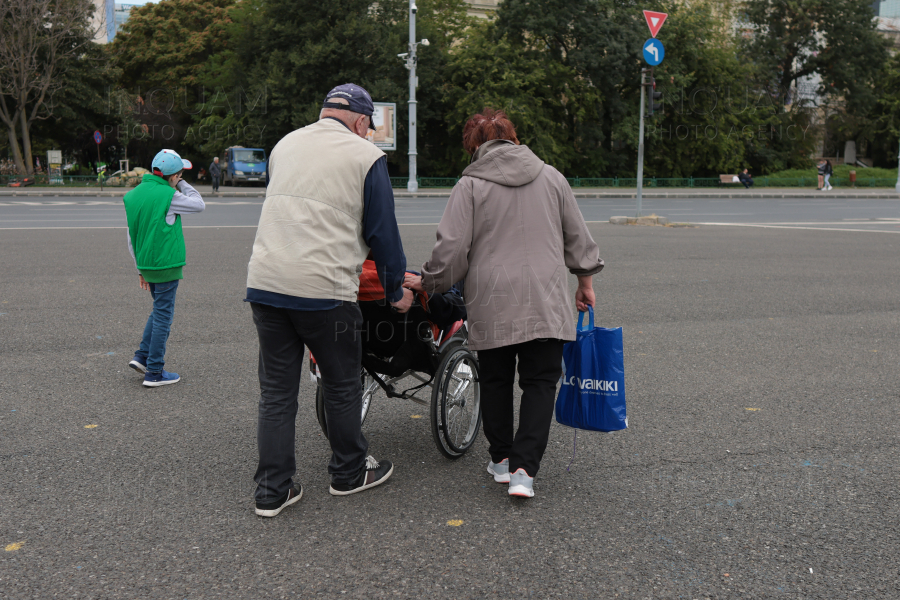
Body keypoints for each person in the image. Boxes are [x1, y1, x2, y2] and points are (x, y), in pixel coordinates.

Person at [410, 108, 604, 499]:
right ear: (514, 139)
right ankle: (523, 471)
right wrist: (585, 284)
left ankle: (500, 459)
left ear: (475, 147)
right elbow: (578, 239)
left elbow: (451, 251)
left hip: (491, 299)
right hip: (545, 298)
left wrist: (428, 282)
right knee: (540, 383)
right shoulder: (552, 177)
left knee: (496, 379)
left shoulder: (470, 186)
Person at [245, 83, 413, 518]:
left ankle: (272, 491)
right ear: (360, 121)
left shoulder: (284, 144)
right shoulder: (365, 156)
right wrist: (395, 291)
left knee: (276, 393)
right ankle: (348, 473)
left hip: (266, 282)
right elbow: (383, 235)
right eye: (368, 127)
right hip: (324, 290)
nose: (368, 134)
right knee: (342, 384)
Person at [124, 149, 205, 387]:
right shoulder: (170, 195)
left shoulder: (133, 195)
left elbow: (131, 236)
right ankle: (155, 371)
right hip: (166, 264)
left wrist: (139, 268)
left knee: (158, 309)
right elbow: (199, 205)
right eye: (180, 173)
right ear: (173, 176)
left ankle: (141, 357)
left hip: (147, 264)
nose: (180, 177)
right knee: (163, 315)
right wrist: (183, 185)